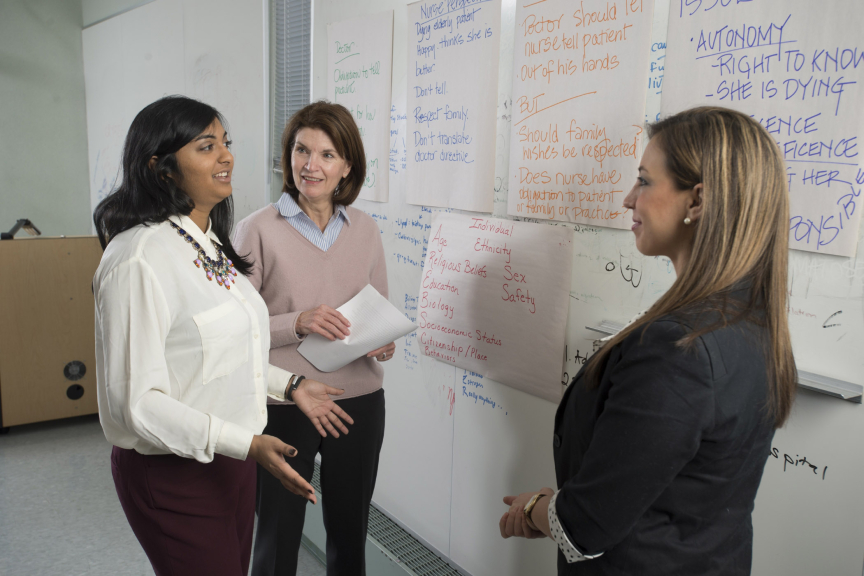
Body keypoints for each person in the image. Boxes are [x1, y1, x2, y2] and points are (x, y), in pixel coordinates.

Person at [499, 106, 798, 575]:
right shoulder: (750, 320)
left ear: (696, 202)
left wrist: (536, 507)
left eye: (644, 180)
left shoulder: (679, 349)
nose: (627, 199)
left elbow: (585, 526)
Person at [92, 95, 354, 576]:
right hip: (174, 471)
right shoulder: (139, 258)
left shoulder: (207, 241)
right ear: (162, 168)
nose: (227, 156)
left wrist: (291, 387)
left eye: (226, 143)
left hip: (231, 460)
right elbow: (138, 404)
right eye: (207, 146)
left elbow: (223, 353)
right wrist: (248, 445)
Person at [233, 101, 393, 576]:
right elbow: (236, 328)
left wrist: (383, 341)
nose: (311, 165)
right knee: (278, 536)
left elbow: (377, 310)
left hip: (358, 401)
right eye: (302, 150)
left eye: (327, 154)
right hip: (285, 398)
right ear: (288, 156)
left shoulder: (365, 229)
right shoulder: (256, 229)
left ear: (347, 166)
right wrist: (296, 321)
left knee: (349, 536)